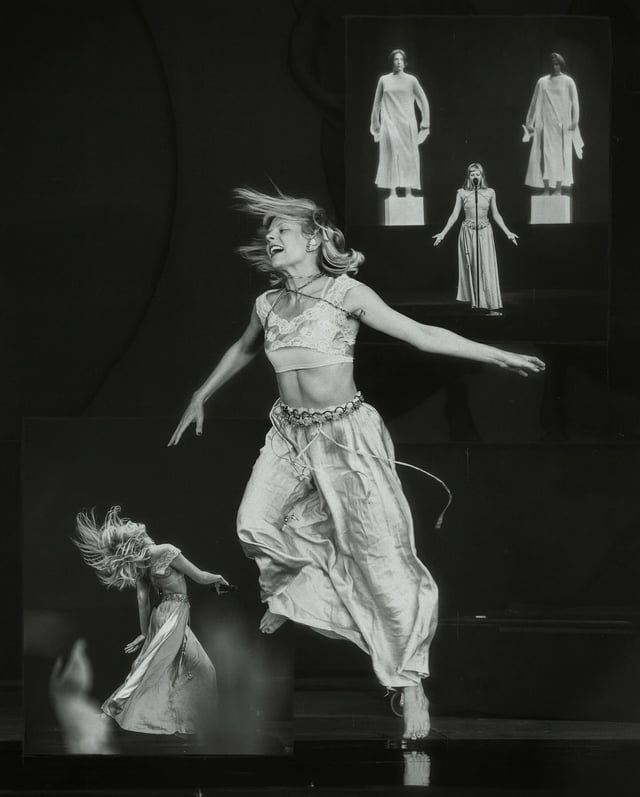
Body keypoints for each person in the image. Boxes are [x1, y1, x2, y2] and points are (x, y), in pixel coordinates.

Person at [168, 187, 544, 740]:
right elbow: (245, 348)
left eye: (282, 230)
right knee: (253, 524)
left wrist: (496, 355)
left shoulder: (346, 293)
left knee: (380, 558)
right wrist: (202, 394)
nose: (271, 238)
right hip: (289, 434)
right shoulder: (267, 304)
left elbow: (422, 335)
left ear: (314, 239)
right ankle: (296, 595)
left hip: (346, 436)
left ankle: (409, 681)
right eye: (267, 232)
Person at [75, 506, 228, 735]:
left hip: (164, 615)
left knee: (201, 668)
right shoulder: (166, 551)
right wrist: (218, 578)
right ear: (133, 538)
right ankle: (110, 712)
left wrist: (145, 633)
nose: (130, 522)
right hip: (172, 616)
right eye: (127, 526)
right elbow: (200, 577)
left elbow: (142, 601)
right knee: (150, 665)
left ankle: (195, 721)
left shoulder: (142, 562)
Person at [433, 163, 518, 316]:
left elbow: (496, 214)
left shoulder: (490, 192)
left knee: (487, 267)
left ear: (482, 176)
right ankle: (478, 305)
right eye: (472, 174)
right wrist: (443, 233)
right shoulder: (462, 193)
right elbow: (454, 215)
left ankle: (491, 306)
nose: (475, 176)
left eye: (477, 174)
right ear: (468, 177)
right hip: (468, 232)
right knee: (473, 267)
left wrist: (508, 232)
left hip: (485, 232)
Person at [370, 49, 430, 193]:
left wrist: (425, 123)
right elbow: (376, 104)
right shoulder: (384, 80)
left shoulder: (411, 80)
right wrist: (376, 125)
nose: (398, 62)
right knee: (391, 155)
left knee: (408, 157)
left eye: (401, 59)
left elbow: (423, 100)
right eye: (396, 59)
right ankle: (393, 192)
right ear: (392, 62)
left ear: (405, 62)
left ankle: (409, 191)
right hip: (390, 123)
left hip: (407, 124)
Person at [522, 52, 583, 194]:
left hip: (561, 126)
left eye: (557, 64)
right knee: (546, 156)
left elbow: (575, 102)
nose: (554, 67)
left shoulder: (568, 81)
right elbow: (534, 103)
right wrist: (529, 122)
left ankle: (559, 188)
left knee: (560, 157)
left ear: (561, 65)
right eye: (552, 64)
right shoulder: (542, 82)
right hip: (545, 124)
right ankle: (547, 188)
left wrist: (575, 120)